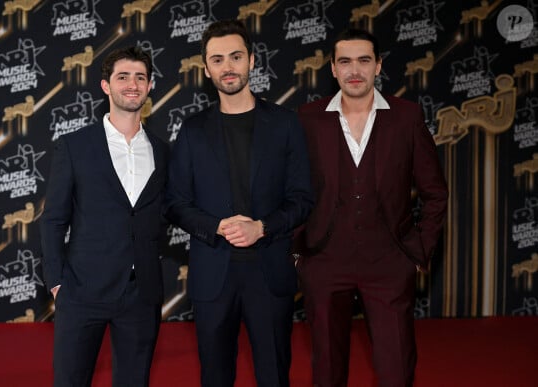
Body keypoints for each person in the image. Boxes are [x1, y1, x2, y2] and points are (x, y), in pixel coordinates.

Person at [294, 29, 448, 387]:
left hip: (390, 262)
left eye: (364, 60)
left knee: (396, 369)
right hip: (325, 261)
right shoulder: (307, 118)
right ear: (332, 68)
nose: (355, 70)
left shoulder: (406, 117)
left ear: (378, 65)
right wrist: (299, 249)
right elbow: (290, 190)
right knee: (327, 370)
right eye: (345, 61)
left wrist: (419, 251)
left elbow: (435, 193)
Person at [165, 19, 314, 387]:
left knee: (274, 375)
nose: (227, 67)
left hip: (269, 272)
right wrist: (217, 226)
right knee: (215, 376)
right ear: (206, 69)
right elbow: (175, 202)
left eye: (235, 56)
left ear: (251, 60)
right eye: (217, 59)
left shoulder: (285, 124)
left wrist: (261, 227)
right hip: (213, 274)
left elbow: (303, 199)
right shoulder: (192, 129)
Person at [40, 46, 169, 386]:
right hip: (81, 291)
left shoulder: (162, 150)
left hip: (141, 293)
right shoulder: (74, 146)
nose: (132, 84)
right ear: (105, 86)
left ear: (150, 85)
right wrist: (56, 283)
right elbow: (53, 219)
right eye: (122, 76)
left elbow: (170, 210)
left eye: (140, 77)